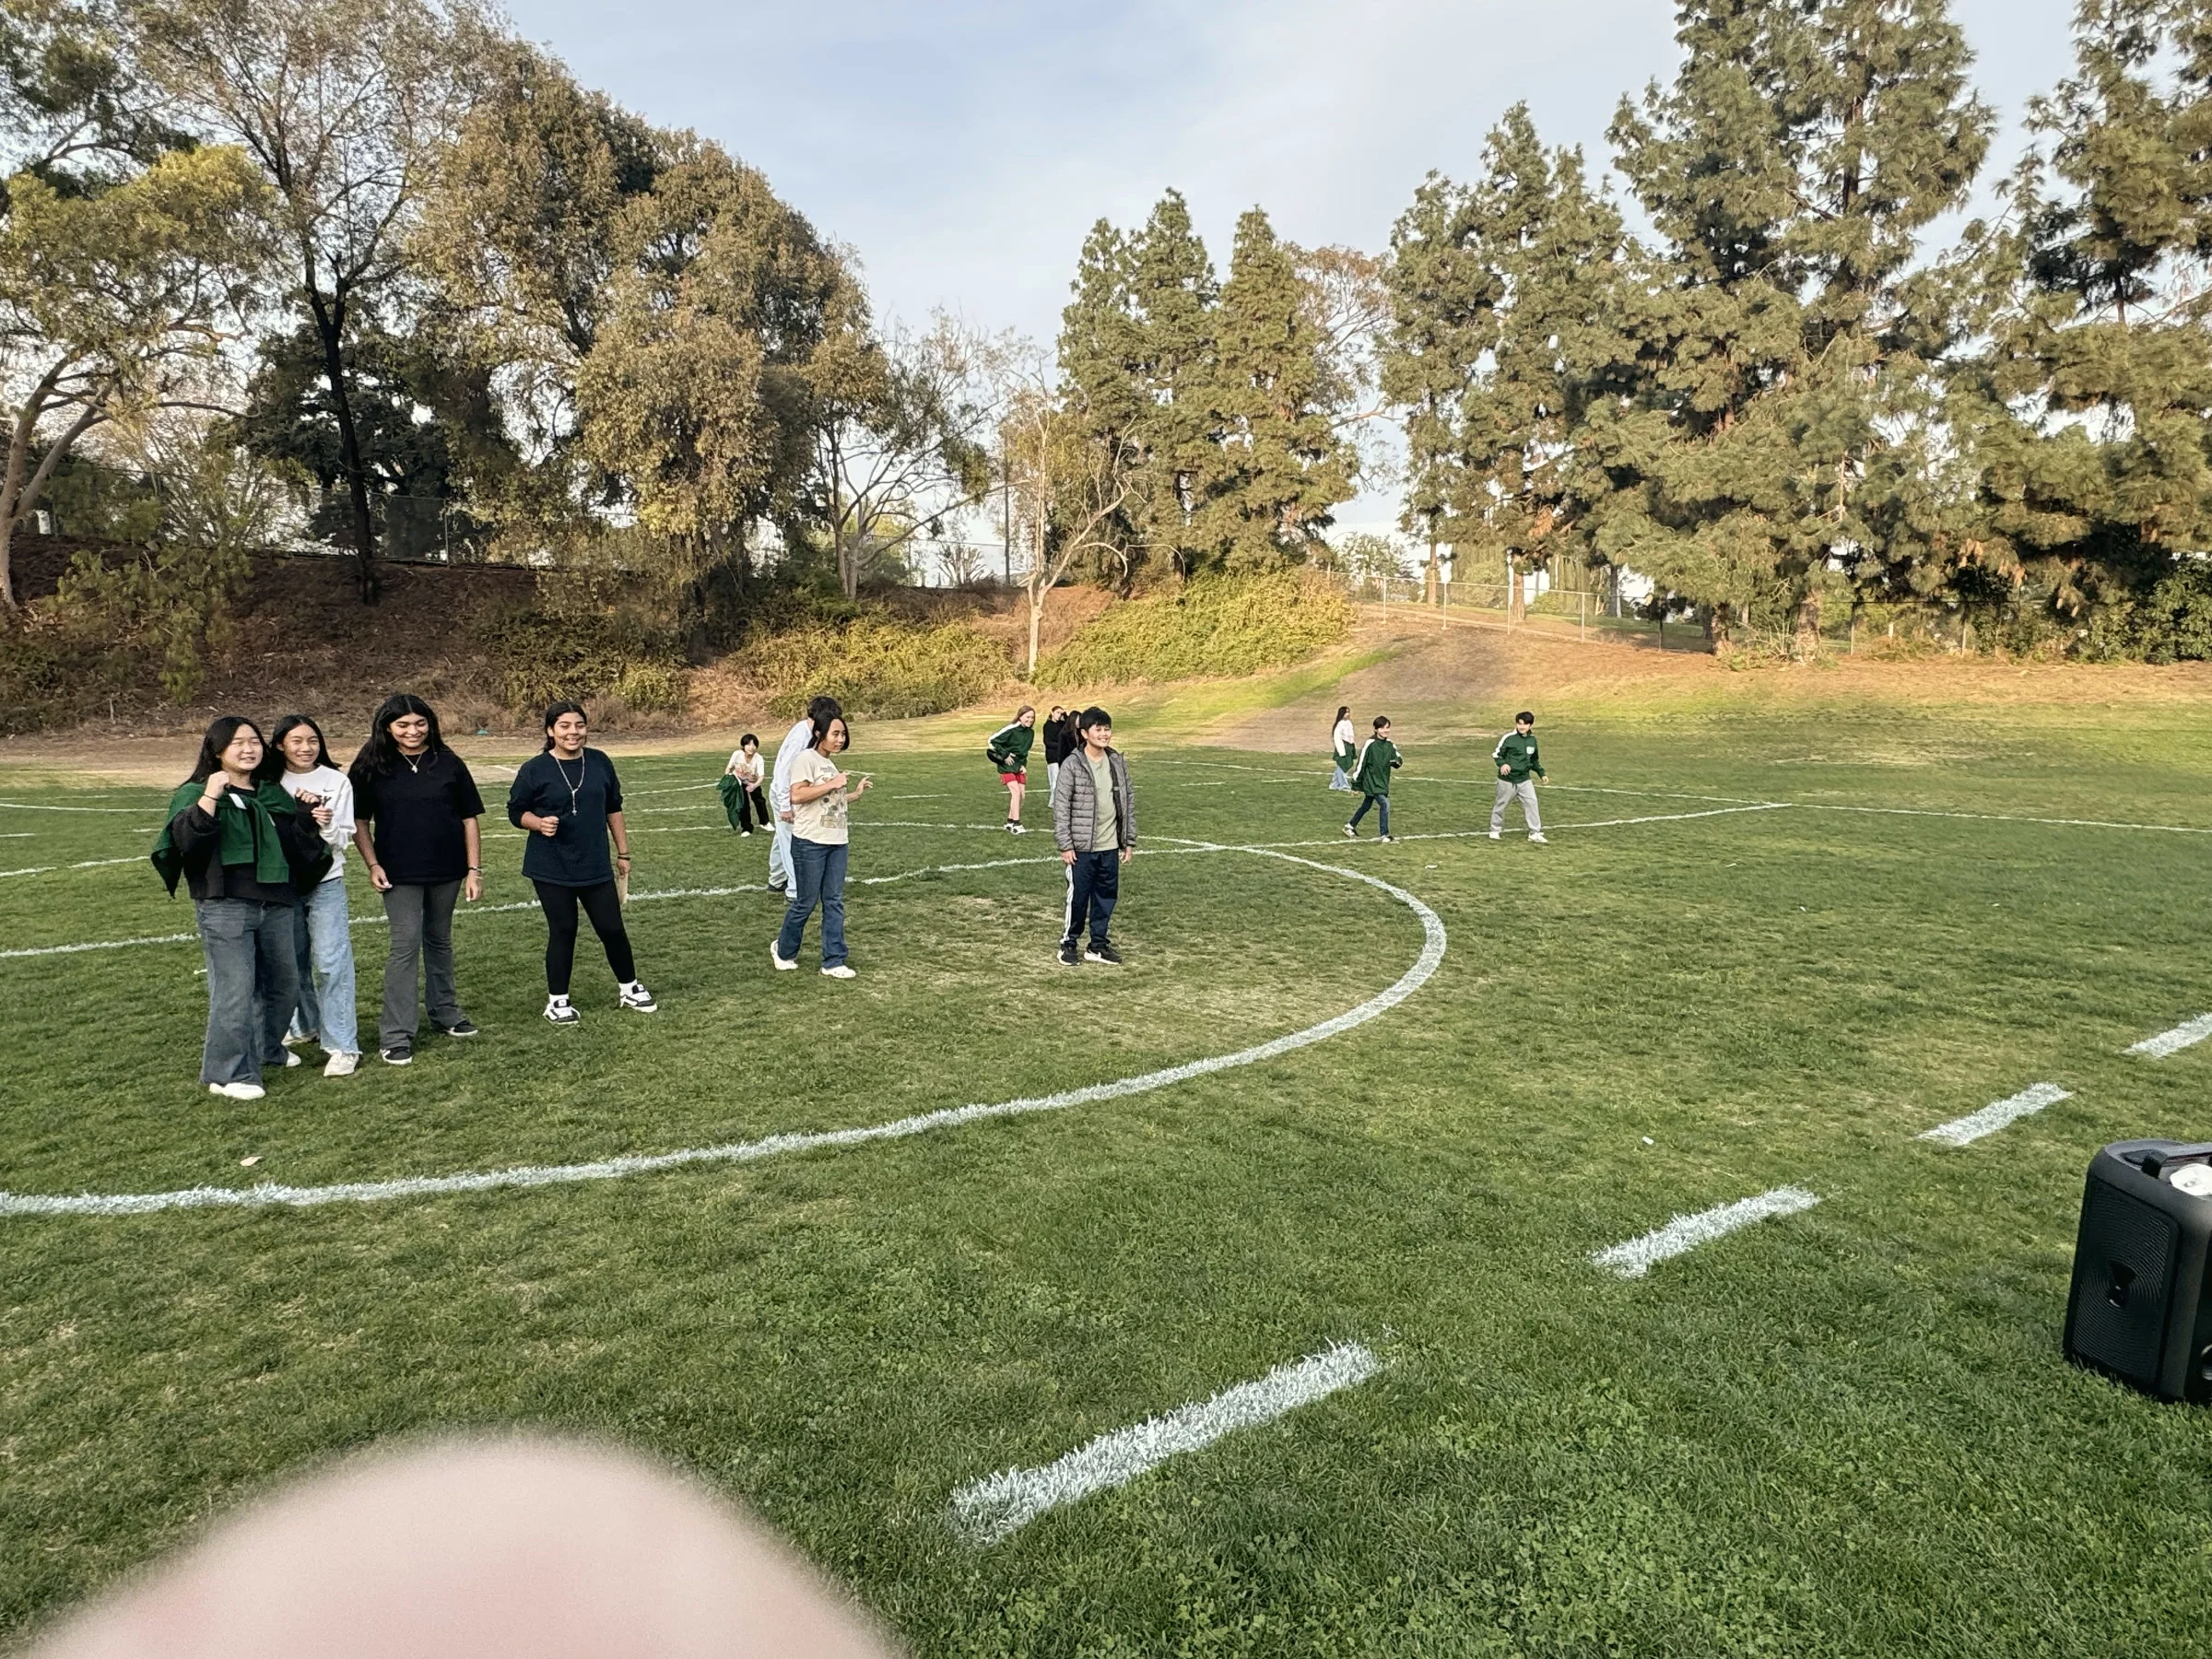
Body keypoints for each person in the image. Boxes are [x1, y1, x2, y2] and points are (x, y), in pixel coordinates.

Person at [151, 716, 329, 1100]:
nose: (248, 749)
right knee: (235, 989)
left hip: (277, 901)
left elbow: (297, 849)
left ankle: (267, 1048)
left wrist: (305, 819)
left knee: (285, 985)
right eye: (237, 743)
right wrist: (211, 797)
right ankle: (228, 1073)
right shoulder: (196, 793)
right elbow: (187, 844)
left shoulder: (272, 793)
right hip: (225, 904)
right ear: (217, 752)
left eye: (254, 742)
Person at [349, 694, 486, 1066]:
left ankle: (446, 1013)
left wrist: (474, 870)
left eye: (420, 723)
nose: (413, 731)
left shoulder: (449, 762)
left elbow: (469, 818)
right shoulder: (370, 765)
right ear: (387, 727)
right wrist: (372, 864)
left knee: (439, 940)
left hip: (448, 869)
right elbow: (359, 822)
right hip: (398, 872)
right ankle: (396, 1034)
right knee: (405, 945)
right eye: (403, 725)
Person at [509, 700, 656, 1025]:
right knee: (563, 930)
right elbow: (516, 811)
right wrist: (537, 823)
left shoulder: (600, 762)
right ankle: (557, 1001)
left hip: (594, 863)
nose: (573, 732)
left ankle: (629, 988)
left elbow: (613, 808)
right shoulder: (535, 768)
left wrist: (623, 853)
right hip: (551, 865)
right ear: (551, 731)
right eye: (564, 726)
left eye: (579, 725)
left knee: (612, 928)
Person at [262, 713, 361, 1077]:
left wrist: (325, 820)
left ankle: (342, 1044)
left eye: (313, 741)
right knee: (291, 962)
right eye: (297, 741)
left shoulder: (336, 781)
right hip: (281, 885)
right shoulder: (267, 783)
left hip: (325, 883)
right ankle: (304, 1025)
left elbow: (342, 839)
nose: (306, 748)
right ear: (279, 745)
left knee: (331, 963)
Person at [771, 712, 873, 978]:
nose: (840, 739)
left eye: (843, 734)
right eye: (835, 734)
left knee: (834, 901)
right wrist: (833, 784)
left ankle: (834, 961)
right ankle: (783, 950)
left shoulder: (828, 764)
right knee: (805, 902)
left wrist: (855, 794)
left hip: (837, 843)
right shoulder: (806, 759)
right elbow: (798, 795)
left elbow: (830, 801)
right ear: (819, 734)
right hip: (811, 843)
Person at [1051, 705, 1135, 967]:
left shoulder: (1117, 762)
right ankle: (1069, 943)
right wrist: (1066, 844)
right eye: (1098, 729)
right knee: (1078, 898)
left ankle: (1097, 945)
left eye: (1107, 728)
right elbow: (1061, 806)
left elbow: (1128, 801)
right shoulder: (1073, 765)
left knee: (1106, 896)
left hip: (1109, 845)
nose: (1104, 734)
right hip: (1081, 848)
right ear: (1085, 733)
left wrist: (1128, 841)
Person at [768, 696, 842, 896]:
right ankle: (795, 891)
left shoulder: (809, 731)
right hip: (785, 794)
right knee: (792, 841)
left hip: (789, 793)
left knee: (782, 837)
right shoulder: (801, 736)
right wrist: (785, 805)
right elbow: (784, 771)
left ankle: (776, 880)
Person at [1489, 710, 1547, 843]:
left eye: (1525, 724)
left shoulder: (1532, 740)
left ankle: (1534, 833)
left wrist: (1541, 774)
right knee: (1501, 804)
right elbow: (1497, 754)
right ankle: (1495, 830)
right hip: (1507, 779)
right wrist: (1502, 764)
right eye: (1519, 723)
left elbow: (1534, 760)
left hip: (1524, 779)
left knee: (1532, 803)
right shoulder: (1509, 738)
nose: (1522, 726)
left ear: (1530, 725)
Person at [1344, 715, 1401, 841]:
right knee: (1385, 804)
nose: (1385, 730)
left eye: (1387, 728)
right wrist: (1355, 785)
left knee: (1367, 805)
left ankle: (1350, 826)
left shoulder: (1390, 745)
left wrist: (1396, 762)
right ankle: (1384, 834)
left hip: (1383, 782)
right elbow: (1361, 764)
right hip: (1372, 782)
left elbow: (1398, 759)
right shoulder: (1370, 744)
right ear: (1375, 729)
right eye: (1382, 728)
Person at [987, 704, 1037, 834]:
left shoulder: (1030, 733)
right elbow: (992, 741)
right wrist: (1005, 754)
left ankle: (1009, 821)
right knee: (1016, 793)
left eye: (1032, 718)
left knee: (1022, 795)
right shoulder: (1012, 729)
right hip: (1006, 765)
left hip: (1019, 765)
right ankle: (1016, 824)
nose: (1030, 720)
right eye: (1027, 717)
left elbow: (1024, 752)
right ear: (1020, 717)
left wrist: (1023, 765)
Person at [721, 735, 769, 835]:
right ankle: (746, 828)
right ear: (743, 746)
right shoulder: (737, 754)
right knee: (744, 804)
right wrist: (728, 778)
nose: (751, 747)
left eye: (754, 744)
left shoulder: (758, 758)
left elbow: (761, 776)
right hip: (739, 781)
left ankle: (765, 822)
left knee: (760, 801)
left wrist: (754, 785)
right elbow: (728, 768)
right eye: (748, 744)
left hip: (753, 782)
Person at [1041, 704, 1073, 795]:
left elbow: (1070, 724)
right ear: (1052, 713)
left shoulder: (1062, 725)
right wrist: (1060, 745)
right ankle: (1053, 801)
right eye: (1057, 712)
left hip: (1062, 756)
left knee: (1063, 779)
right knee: (1054, 779)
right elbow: (1047, 741)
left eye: (1060, 713)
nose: (1059, 715)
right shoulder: (1048, 725)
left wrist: (1065, 715)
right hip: (1053, 756)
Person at [1328, 705, 1357, 792]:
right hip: (1343, 747)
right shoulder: (1339, 724)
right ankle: (1343, 785)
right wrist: (1341, 751)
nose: (1348, 714)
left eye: (1349, 712)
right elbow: (1337, 738)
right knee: (1343, 766)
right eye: (1346, 712)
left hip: (1349, 746)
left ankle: (1335, 784)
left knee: (1342, 766)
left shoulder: (1349, 723)